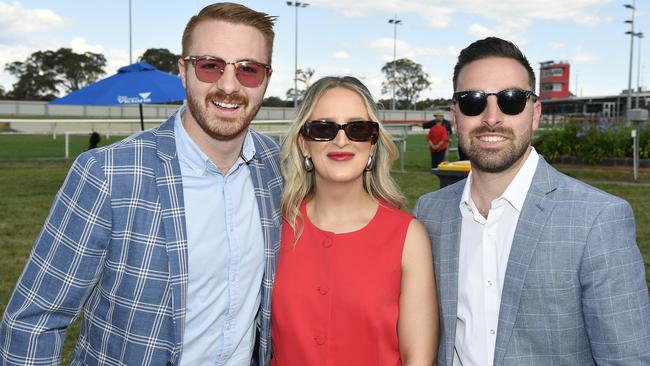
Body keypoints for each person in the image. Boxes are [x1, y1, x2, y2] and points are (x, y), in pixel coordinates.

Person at [0, 3, 282, 365]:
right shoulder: (106, 172)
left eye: (248, 69)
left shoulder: (273, 165)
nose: (228, 85)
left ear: (266, 80)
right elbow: (34, 323)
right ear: (183, 71)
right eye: (210, 65)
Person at [415, 37, 650, 366]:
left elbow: (627, 358)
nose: (492, 117)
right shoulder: (429, 214)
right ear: (455, 116)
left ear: (535, 113)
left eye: (511, 100)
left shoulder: (598, 219)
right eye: (473, 101)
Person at [271, 76, 438, 365]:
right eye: (323, 128)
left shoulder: (408, 236)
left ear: (372, 144)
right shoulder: (274, 227)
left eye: (357, 128)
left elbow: (419, 358)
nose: (341, 140)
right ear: (304, 144)